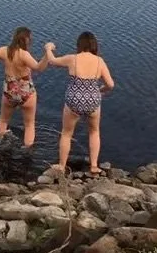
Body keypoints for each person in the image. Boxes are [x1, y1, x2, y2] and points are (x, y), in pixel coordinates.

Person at [44, 32, 115, 176]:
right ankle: (94, 166)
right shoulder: (99, 61)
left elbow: (52, 61)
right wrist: (101, 90)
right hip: (93, 101)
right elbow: (111, 84)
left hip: (74, 101)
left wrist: (48, 48)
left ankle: (62, 165)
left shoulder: (73, 59)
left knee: (67, 133)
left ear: (79, 45)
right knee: (94, 132)